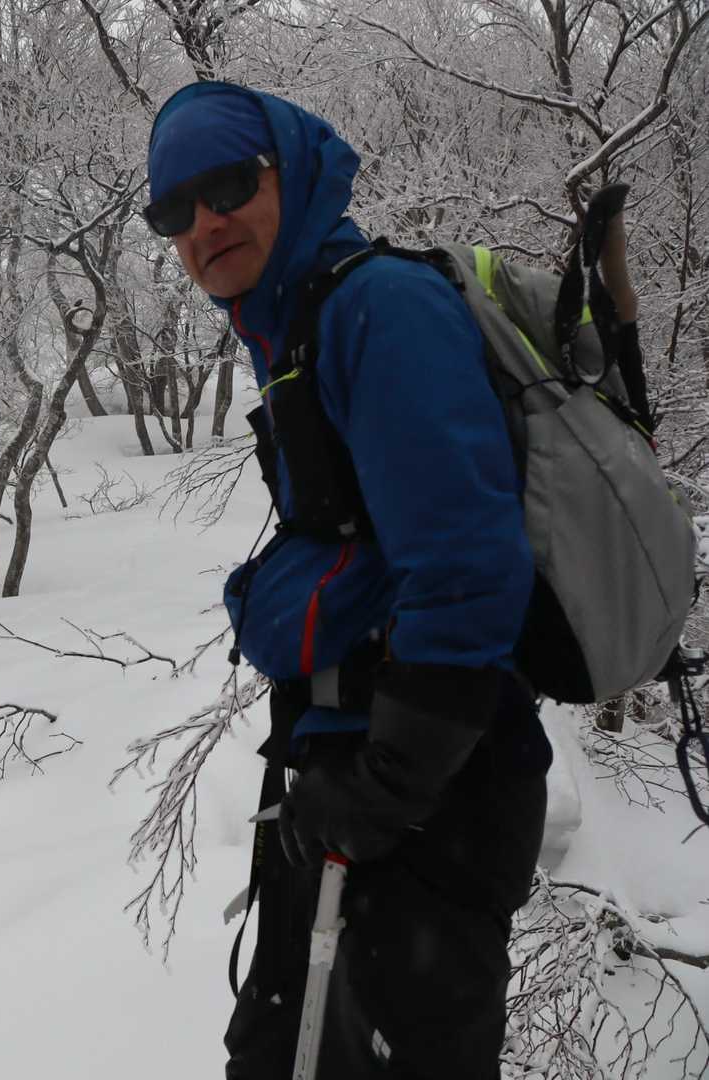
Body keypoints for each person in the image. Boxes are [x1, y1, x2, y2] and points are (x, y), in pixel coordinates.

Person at [144, 82, 553, 1079]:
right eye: (173, 210)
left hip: (428, 794)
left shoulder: (379, 307)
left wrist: (389, 784)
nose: (204, 224)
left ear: (289, 175)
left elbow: (464, 559)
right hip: (346, 782)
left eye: (227, 186)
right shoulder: (297, 324)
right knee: (276, 1054)